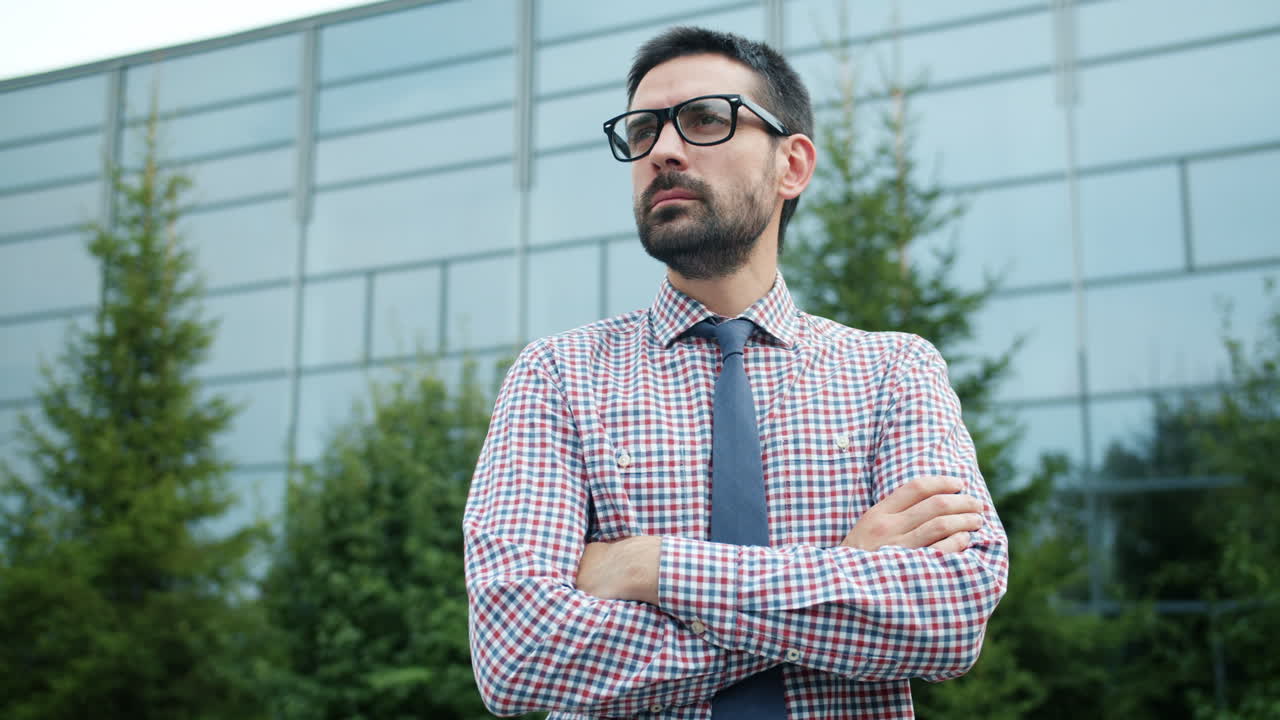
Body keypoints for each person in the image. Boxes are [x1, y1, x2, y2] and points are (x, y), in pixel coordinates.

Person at [463, 26, 1008, 719]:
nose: (661, 150)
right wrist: (840, 573)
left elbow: (950, 616)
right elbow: (520, 655)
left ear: (793, 165)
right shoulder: (559, 377)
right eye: (641, 130)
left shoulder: (894, 371)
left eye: (704, 119)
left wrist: (650, 567)